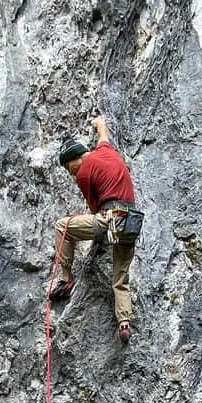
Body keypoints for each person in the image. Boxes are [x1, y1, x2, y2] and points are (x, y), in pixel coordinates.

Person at [50, 116, 138, 340]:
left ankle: (66, 277)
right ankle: (124, 323)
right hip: (132, 224)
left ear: (75, 159)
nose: (72, 174)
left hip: (110, 219)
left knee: (63, 226)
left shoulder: (83, 173)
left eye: (70, 169)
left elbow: (95, 208)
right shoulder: (107, 152)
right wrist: (98, 123)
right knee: (120, 277)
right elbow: (104, 134)